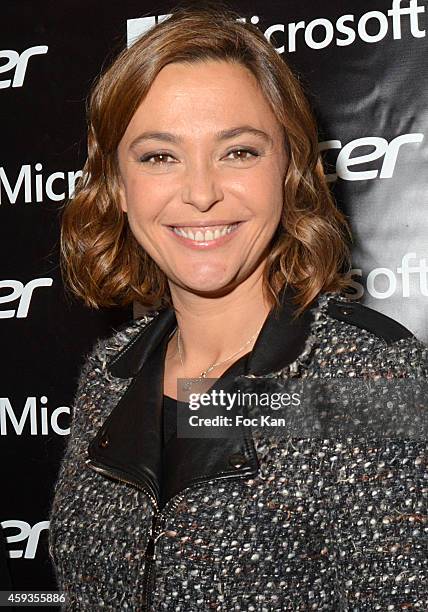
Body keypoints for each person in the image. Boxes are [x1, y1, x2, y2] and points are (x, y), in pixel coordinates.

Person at [48, 3, 427, 610]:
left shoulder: (366, 377)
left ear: (289, 169)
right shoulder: (110, 375)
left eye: (239, 152)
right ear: (117, 184)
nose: (201, 193)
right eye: (159, 156)